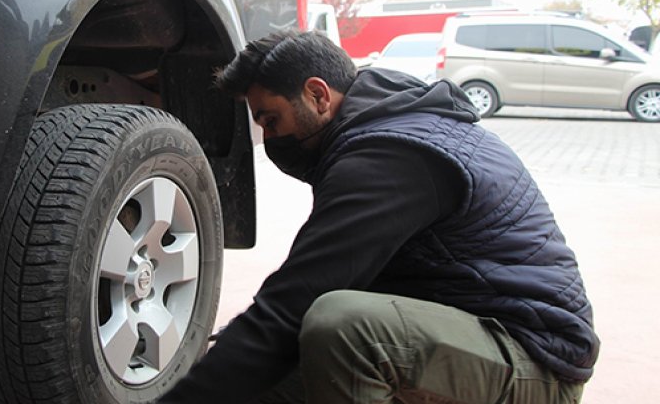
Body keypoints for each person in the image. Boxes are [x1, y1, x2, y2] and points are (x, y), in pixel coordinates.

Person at [158, 30, 599, 403]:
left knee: (343, 328)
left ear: (317, 95)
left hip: (533, 361)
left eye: (272, 120)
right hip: (464, 330)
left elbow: (293, 302)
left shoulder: (388, 157)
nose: (270, 137)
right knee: (261, 377)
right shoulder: (385, 121)